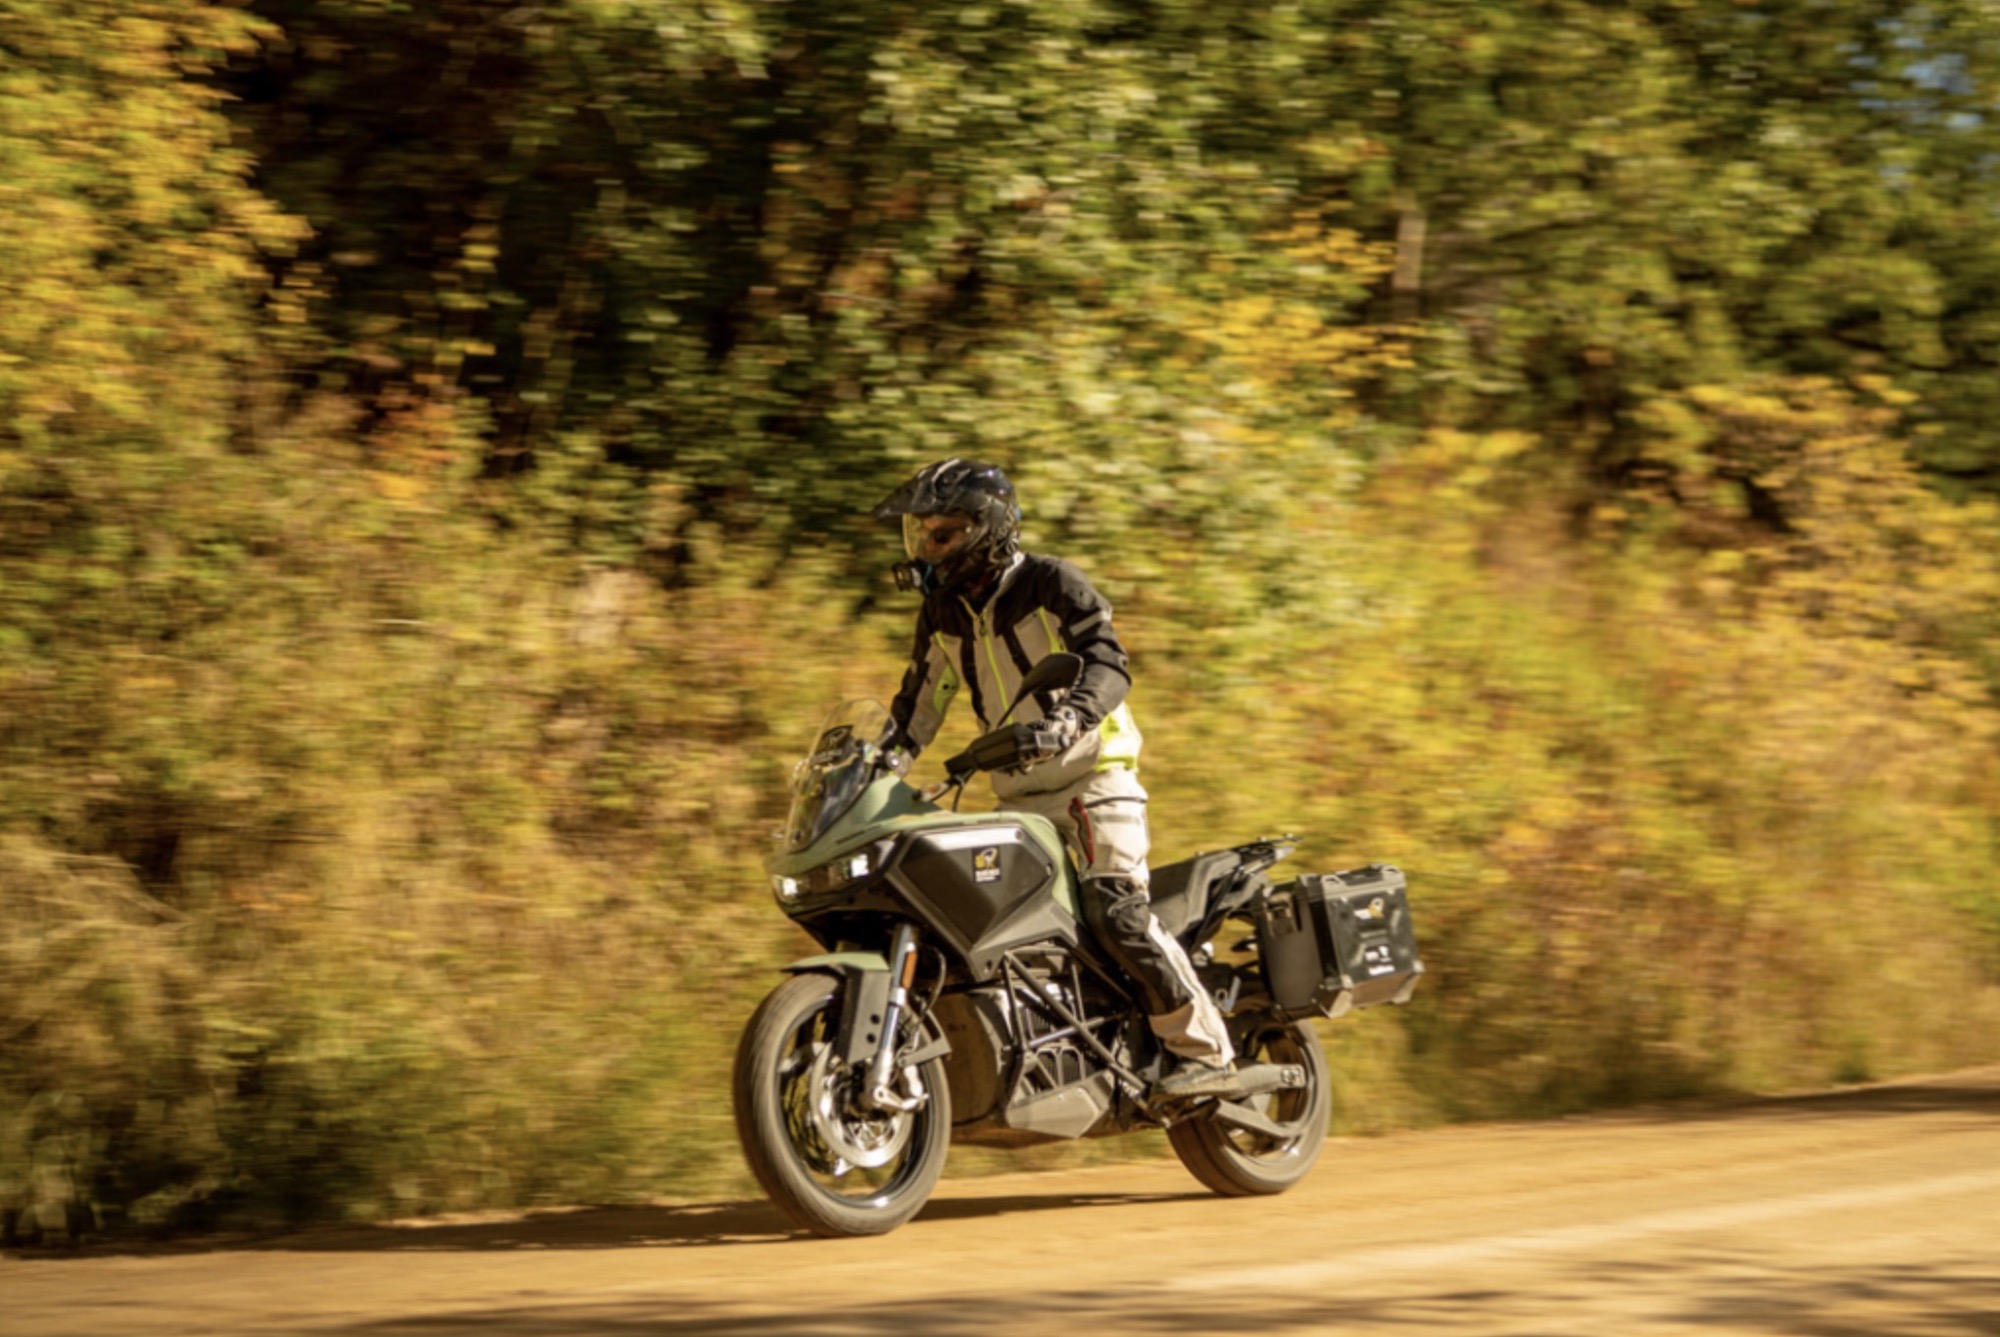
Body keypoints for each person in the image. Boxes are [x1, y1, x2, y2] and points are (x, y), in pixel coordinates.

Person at [873, 458, 1240, 1099]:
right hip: (1015, 794)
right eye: (921, 535)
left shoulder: (1052, 583)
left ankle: (1206, 1053)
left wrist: (1070, 718)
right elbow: (918, 708)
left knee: (1118, 914)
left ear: (987, 529)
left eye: (943, 534)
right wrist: (874, 767)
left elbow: (1108, 663)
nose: (927, 548)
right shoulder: (942, 615)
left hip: (1093, 776)